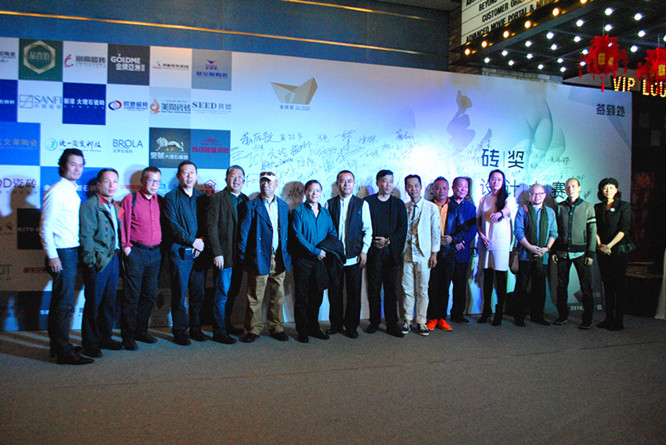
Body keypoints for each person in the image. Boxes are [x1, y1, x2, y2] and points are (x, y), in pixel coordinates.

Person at [40, 148, 93, 365]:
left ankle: (59, 346)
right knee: (63, 304)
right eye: (73, 164)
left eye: (81, 165)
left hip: (71, 251)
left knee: (62, 302)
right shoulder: (56, 192)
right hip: (62, 253)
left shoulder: (71, 190)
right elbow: (45, 227)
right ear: (62, 166)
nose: (77, 168)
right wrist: (52, 256)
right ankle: (64, 352)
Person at [238, 171, 291, 343]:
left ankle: (276, 327)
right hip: (259, 258)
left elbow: (286, 233)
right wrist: (244, 258)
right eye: (262, 182)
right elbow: (243, 234)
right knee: (255, 295)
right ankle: (253, 328)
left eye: (269, 182)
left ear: (276, 184)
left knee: (278, 295)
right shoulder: (251, 205)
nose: (265, 185)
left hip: (279, 257)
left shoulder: (283, 206)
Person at [79, 168, 123, 358]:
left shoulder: (115, 206)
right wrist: (91, 261)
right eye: (107, 181)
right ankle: (90, 343)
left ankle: (105, 338)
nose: (112, 185)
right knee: (94, 303)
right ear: (98, 185)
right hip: (98, 261)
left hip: (113, 259)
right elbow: (86, 236)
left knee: (109, 303)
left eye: (115, 181)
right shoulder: (90, 206)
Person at [164, 161, 209, 346]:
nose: (189, 176)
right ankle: (180, 331)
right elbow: (173, 225)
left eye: (192, 172)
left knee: (198, 294)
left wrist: (201, 241)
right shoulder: (170, 197)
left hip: (200, 253)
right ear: (178, 176)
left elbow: (208, 223)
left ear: (196, 175)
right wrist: (193, 241)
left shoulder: (203, 197)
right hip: (180, 253)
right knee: (179, 293)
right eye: (185, 173)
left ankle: (196, 328)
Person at [291, 180, 340, 343]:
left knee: (316, 296)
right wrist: (316, 251)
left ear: (321, 193)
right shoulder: (298, 212)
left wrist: (324, 250)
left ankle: (313, 327)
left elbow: (332, 233)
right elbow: (297, 236)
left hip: (321, 262)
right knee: (302, 297)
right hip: (303, 261)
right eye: (311, 190)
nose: (314, 193)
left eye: (317, 190)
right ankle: (302, 331)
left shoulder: (325, 213)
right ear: (305, 192)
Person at [119, 166, 163, 350]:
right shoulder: (130, 199)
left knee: (149, 295)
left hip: (155, 254)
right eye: (151, 180)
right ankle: (128, 336)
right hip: (136, 253)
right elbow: (121, 223)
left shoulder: (160, 200)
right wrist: (126, 247)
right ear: (143, 181)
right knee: (131, 297)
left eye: (157, 181)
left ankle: (141, 331)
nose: (154, 184)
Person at [326, 170, 373, 339]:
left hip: (354, 257)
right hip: (335, 257)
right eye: (342, 181)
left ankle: (351, 326)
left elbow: (368, 230)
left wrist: (364, 251)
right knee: (334, 293)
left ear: (354, 184)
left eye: (349, 181)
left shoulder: (362, 204)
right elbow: (325, 230)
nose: (346, 184)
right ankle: (335, 325)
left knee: (354, 294)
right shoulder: (329, 204)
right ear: (337, 184)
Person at [207, 165, 249, 344]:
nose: (236, 179)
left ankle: (227, 324)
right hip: (223, 256)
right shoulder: (216, 199)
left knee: (233, 292)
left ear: (244, 180)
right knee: (222, 293)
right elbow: (211, 228)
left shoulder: (246, 200)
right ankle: (219, 331)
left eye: (240, 176)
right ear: (226, 179)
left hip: (240, 256)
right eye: (233, 176)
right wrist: (217, 252)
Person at [365, 169, 407, 337]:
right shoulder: (368, 202)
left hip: (392, 254)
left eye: (390, 181)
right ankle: (374, 321)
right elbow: (363, 225)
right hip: (373, 253)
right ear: (378, 183)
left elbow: (402, 229)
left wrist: (388, 241)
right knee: (373, 289)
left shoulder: (398, 204)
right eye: (384, 181)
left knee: (391, 290)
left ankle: (392, 324)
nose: (388, 184)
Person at [552, 178, 597, 329]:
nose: (570, 189)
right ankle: (562, 315)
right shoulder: (559, 207)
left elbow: (592, 231)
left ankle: (587, 319)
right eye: (567, 186)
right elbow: (555, 231)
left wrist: (590, 253)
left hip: (581, 253)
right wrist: (554, 251)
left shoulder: (588, 207)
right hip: (562, 253)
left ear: (579, 188)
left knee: (586, 286)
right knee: (561, 286)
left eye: (573, 186)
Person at [426, 176, 468, 331]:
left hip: (448, 253)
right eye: (438, 188)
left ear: (448, 189)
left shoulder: (455, 207)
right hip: (430, 253)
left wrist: (453, 239)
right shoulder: (428, 206)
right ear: (433, 190)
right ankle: (432, 318)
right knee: (432, 287)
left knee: (445, 287)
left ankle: (442, 318)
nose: (441, 191)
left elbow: (463, 229)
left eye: (444, 188)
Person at [400, 175, 440, 336]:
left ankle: (421, 321)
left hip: (424, 254)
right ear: (406, 188)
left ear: (421, 187)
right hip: (407, 253)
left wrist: (434, 253)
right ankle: (407, 320)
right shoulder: (404, 207)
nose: (413, 189)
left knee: (423, 289)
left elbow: (436, 231)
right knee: (407, 289)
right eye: (410, 186)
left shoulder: (431, 207)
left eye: (416, 185)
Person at [513, 184, 558, 327]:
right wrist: (530, 247)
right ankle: (519, 316)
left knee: (539, 287)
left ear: (544, 195)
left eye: (540, 193)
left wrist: (547, 248)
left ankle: (537, 315)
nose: (537, 196)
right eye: (534, 193)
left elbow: (554, 233)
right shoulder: (523, 210)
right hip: (525, 255)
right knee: (522, 286)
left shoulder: (550, 212)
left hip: (543, 256)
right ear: (530, 195)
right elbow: (518, 232)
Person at [477, 169, 515, 326]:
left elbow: (508, 209)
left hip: (501, 243)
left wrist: (500, 213)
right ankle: (486, 310)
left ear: (503, 182)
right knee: (487, 278)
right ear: (489, 181)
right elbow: (478, 221)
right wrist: (481, 235)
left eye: (499, 179)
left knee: (500, 279)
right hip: (486, 242)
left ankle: (499, 312)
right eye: (493, 178)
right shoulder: (484, 199)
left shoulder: (508, 198)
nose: (496, 181)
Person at [594, 178, 632, 331]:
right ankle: (608, 317)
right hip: (602, 249)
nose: (608, 190)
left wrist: (609, 246)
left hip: (618, 250)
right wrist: (600, 245)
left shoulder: (624, 206)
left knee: (619, 285)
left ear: (616, 190)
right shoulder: (598, 207)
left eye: (611, 187)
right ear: (601, 191)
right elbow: (595, 228)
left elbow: (624, 229)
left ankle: (618, 320)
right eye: (605, 188)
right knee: (607, 285)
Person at [449, 177, 477, 324]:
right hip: (447, 251)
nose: (463, 189)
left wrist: (463, 242)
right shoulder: (446, 204)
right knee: (441, 285)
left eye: (465, 187)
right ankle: (438, 315)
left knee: (460, 285)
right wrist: (454, 242)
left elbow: (473, 229)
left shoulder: (471, 208)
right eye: (460, 186)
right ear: (453, 188)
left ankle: (458, 314)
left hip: (463, 251)